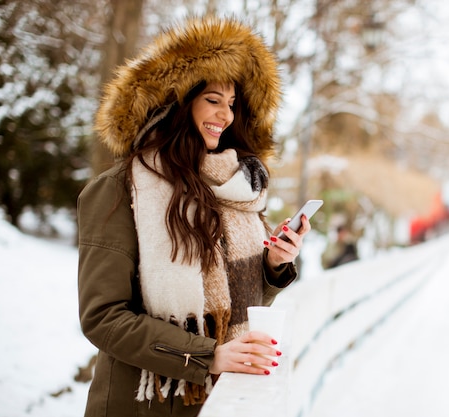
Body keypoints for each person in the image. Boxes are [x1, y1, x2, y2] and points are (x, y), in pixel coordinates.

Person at [77, 17, 311, 416]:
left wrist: (273, 266)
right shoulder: (119, 189)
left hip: (223, 401)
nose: (227, 115)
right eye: (214, 100)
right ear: (179, 103)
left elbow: (238, 301)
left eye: (233, 104)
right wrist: (207, 356)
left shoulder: (234, 191)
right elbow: (103, 317)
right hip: (144, 404)